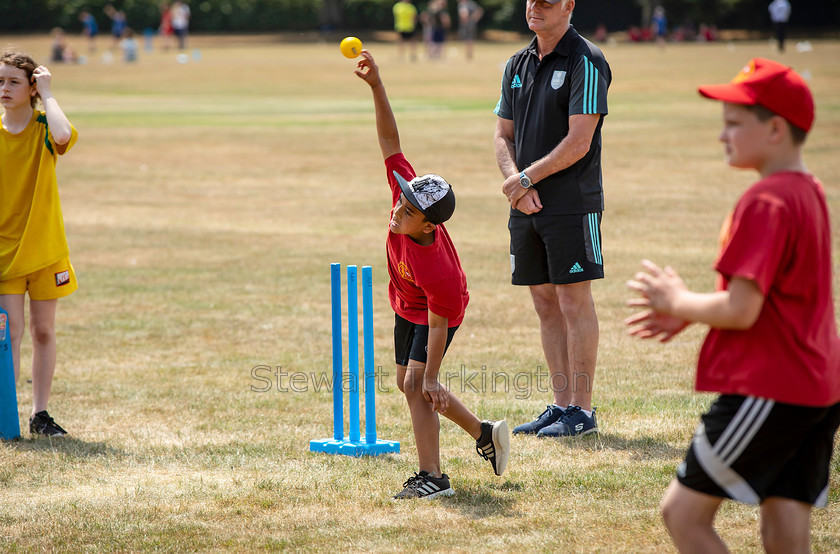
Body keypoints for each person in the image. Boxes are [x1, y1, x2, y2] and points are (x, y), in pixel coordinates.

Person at [626, 58, 840, 553]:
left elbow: (742, 309)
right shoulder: (808, 191)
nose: (723, 135)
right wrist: (690, 310)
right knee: (785, 527)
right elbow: (771, 302)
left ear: (775, 129)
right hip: (817, 384)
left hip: (772, 387)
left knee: (682, 513)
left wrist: (679, 299)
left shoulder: (765, 200)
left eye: (733, 124)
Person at [354, 49, 510, 499]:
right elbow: (390, 143)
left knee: (419, 385)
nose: (396, 212)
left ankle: (434, 478)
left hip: (439, 311)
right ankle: (484, 434)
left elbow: (440, 323)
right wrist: (377, 85)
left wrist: (433, 375)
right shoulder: (406, 201)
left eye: (407, 211)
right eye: (400, 202)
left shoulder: (437, 269)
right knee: (408, 383)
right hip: (407, 302)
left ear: (429, 225)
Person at [494, 0, 610, 438]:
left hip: (572, 204)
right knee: (544, 301)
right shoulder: (516, 63)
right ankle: (561, 406)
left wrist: (525, 178)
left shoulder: (587, 60)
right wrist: (516, 184)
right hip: (525, 204)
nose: (535, 7)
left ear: (568, 7)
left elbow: (579, 140)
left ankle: (582, 410)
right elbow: (502, 134)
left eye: (547, 1)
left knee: (573, 301)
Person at [0, 52, 79, 437]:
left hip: (45, 247)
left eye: (13, 81)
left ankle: (40, 414)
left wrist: (47, 93)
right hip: (4, 252)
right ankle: (6, 413)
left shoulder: (46, 125)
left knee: (43, 330)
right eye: (0, 81)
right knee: (9, 331)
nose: (4, 88)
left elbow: (64, 137)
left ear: (30, 87)